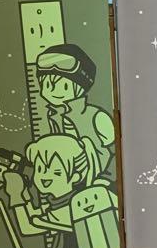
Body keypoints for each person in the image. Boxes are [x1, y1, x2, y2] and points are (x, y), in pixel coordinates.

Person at [2, 134, 117, 248]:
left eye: (56, 172)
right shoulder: (56, 202)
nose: (44, 176)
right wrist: (23, 192)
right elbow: (33, 215)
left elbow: (28, 227)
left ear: (75, 177)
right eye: (39, 169)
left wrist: (15, 194)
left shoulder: (76, 205)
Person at [35, 44, 115, 175]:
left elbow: (109, 140)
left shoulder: (95, 116)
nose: (54, 91)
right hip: (62, 173)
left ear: (81, 87)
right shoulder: (53, 115)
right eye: (48, 85)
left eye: (65, 86)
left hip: (92, 173)